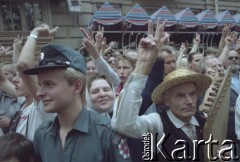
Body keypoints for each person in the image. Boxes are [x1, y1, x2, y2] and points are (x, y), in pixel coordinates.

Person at [22, 24, 131, 162]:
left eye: (49, 84)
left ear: (77, 86)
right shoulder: (42, 134)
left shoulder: (107, 133)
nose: (39, 93)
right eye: (40, 85)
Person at [111, 21, 212, 161]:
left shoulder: (202, 120)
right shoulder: (157, 123)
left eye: (192, 94)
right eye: (180, 96)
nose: (189, 101)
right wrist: (142, 64)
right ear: (166, 100)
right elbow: (124, 125)